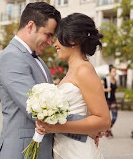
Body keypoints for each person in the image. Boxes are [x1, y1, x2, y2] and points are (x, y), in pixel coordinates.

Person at [0, 2, 87, 159]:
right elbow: (39, 112)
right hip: (20, 152)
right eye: (48, 34)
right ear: (30, 26)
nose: (51, 42)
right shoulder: (11, 57)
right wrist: (89, 125)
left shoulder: (38, 60)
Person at [36, 13, 111, 159]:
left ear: (74, 40)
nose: (55, 44)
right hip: (64, 149)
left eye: (58, 37)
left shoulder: (84, 70)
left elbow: (103, 120)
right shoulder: (72, 72)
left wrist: (56, 127)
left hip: (78, 152)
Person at [102, 64, 118, 138]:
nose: (115, 73)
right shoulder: (105, 80)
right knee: (107, 118)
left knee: (114, 117)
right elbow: (98, 88)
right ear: (110, 72)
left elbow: (115, 89)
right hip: (106, 100)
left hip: (113, 100)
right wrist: (106, 90)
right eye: (113, 71)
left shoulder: (115, 80)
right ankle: (108, 131)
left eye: (115, 71)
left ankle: (108, 130)